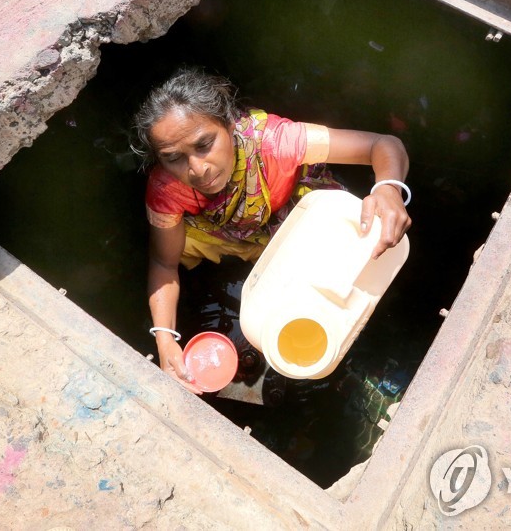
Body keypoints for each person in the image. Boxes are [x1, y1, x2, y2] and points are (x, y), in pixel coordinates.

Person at [131, 67, 412, 393]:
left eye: (204, 144)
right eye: (173, 158)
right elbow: (164, 263)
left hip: (290, 215)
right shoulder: (166, 188)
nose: (197, 169)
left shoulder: (276, 142)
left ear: (229, 122)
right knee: (182, 241)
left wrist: (389, 188)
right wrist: (165, 340)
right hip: (231, 233)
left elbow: (384, 144)